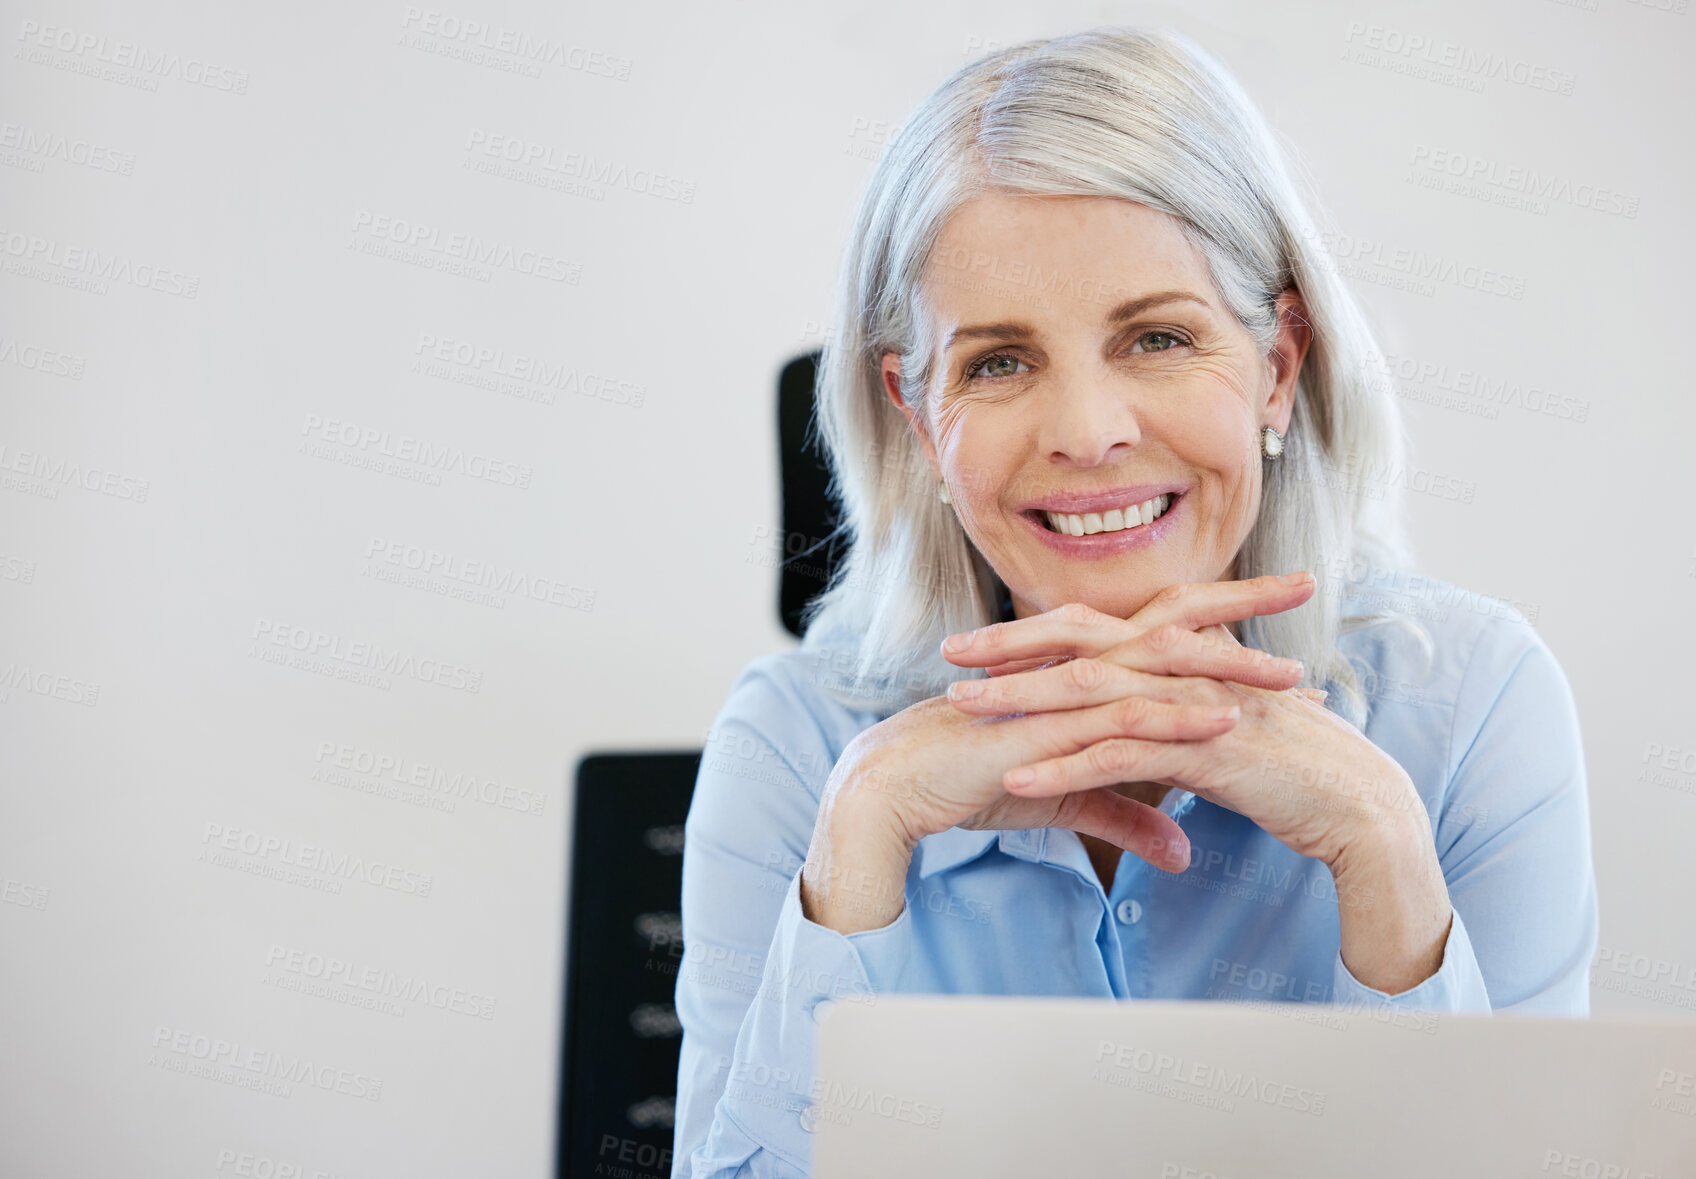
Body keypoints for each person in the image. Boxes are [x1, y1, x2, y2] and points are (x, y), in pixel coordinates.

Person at [671, 25, 1597, 1178]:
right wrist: (857, 851)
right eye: (998, 363)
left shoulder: (1470, 703)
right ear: (916, 413)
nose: (1087, 433)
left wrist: (1385, 855)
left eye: (1158, 338)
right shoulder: (797, 745)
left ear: (1276, 363)